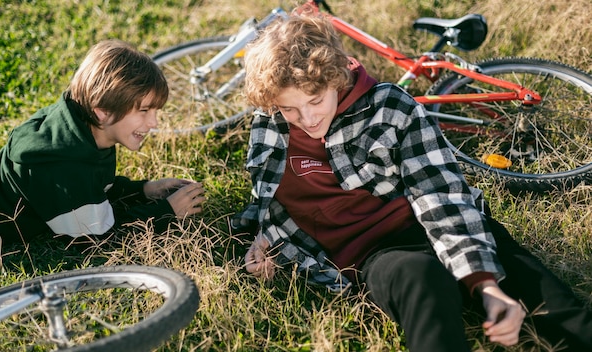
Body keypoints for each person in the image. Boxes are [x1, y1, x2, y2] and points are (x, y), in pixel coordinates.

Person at [231, 14, 592, 351]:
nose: (306, 119)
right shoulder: (268, 122)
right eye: (289, 109)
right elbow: (269, 194)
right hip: (378, 255)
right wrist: (267, 237)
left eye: (315, 100)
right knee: (423, 282)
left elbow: (438, 192)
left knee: (560, 313)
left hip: (430, 221)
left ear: (336, 79)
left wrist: (484, 282)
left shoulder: (390, 107)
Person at [0, 39, 206, 250]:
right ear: (102, 111)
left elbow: (95, 188)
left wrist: (144, 190)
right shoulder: (63, 167)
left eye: (155, 111)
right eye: (144, 110)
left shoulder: (83, 127)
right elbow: (98, 240)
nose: (153, 122)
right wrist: (166, 212)